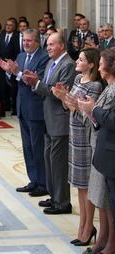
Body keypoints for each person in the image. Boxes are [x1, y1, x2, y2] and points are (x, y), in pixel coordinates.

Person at [52, 48, 102, 246]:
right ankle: (83, 225)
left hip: (85, 138)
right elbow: (69, 108)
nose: (77, 62)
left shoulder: (95, 86)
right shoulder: (77, 80)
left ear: (91, 64)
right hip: (74, 135)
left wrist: (70, 102)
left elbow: (88, 116)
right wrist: (62, 97)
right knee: (79, 186)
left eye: (81, 60)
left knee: (87, 186)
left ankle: (88, 227)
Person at [22, 32, 77, 214]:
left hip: (59, 120)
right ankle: (54, 197)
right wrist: (35, 83)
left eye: (52, 45)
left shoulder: (68, 64)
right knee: (49, 161)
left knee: (58, 163)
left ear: (61, 45)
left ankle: (62, 203)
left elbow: (58, 91)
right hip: (48, 117)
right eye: (47, 45)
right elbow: (48, 87)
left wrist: (37, 84)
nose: (48, 48)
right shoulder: (51, 63)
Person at [0, 29, 49, 197]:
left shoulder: (43, 58)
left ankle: (43, 183)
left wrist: (16, 73)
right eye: (24, 40)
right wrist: (8, 72)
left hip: (36, 109)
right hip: (22, 108)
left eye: (29, 41)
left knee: (38, 147)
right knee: (27, 147)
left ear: (37, 42)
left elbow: (36, 82)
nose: (25, 43)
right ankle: (33, 180)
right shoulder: (20, 56)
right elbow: (13, 82)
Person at [77, 48, 115, 254]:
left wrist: (93, 109)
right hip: (104, 149)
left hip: (111, 151)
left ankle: (109, 244)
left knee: (109, 201)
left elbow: (112, 120)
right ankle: (104, 240)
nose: (99, 66)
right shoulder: (109, 87)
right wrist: (89, 110)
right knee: (104, 198)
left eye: (101, 63)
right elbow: (100, 120)